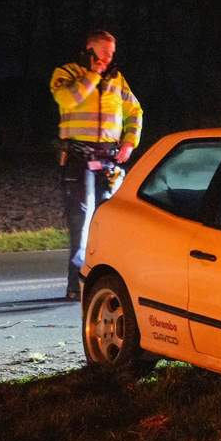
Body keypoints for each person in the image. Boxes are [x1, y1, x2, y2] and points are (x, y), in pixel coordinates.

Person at [50, 29, 143, 300]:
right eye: (103, 53)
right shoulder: (66, 74)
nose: (108, 59)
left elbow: (134, 111)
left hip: (109, 160)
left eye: (111, 54)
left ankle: (101, 283)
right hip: (78, 160)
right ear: (88, 50)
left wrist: (129, 142)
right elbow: (68, 99)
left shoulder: (117, 80)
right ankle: (75, 286)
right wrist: (93, 75)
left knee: (109, 225)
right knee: (82, 224)